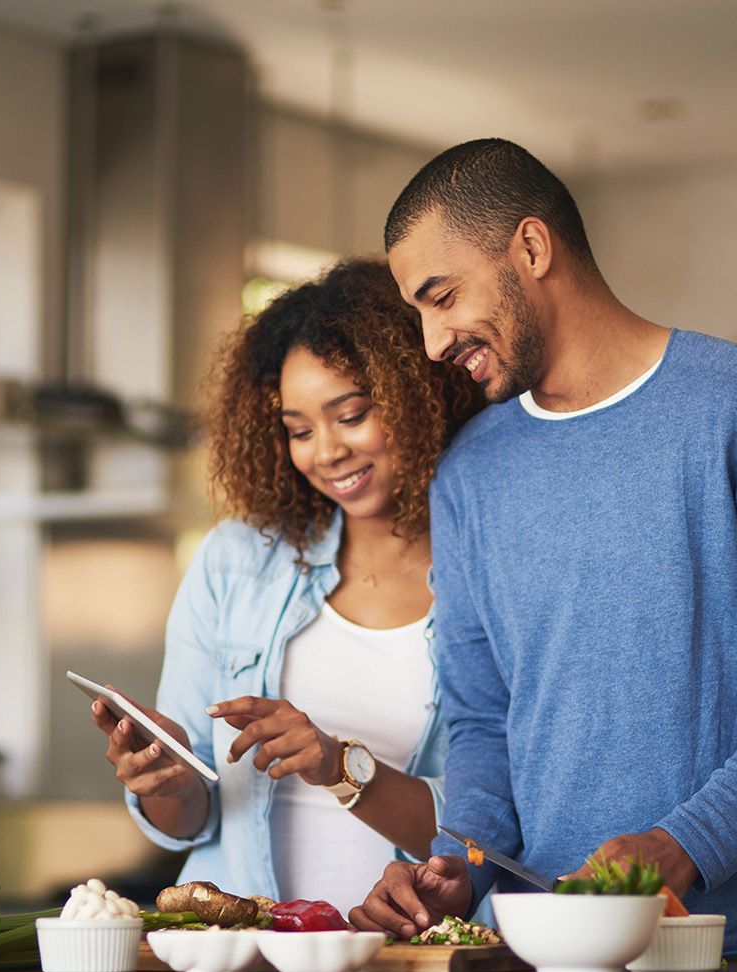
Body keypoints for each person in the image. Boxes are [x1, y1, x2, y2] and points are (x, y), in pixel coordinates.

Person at [348, 139, 737, 962]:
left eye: (442, 295)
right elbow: (483, 722)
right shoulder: (468, 476)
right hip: (540, 952)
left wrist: (684, 844)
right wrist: (458, 861)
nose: (430, 341)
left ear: (531, 247)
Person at [90, 258, 483, 915]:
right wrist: (167, 774)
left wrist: (338, 762)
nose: (324, 451)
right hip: (242, 959)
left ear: (420, 394)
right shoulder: (235, 563)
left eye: (350, 414)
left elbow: (488, 831)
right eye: (299, 429)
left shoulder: (491, 572)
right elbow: (190, 816)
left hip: (404, 959)